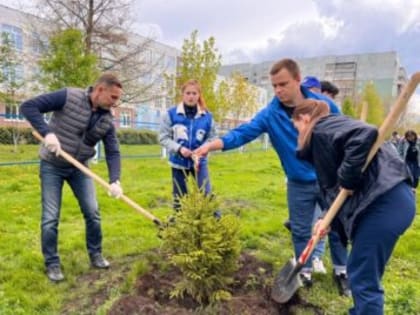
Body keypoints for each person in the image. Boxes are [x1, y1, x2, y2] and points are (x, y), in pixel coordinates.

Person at [194, 58, 348, 293]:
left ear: (298, 80)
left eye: (283, 84)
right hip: (298, 182)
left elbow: (344, 133)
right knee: (299, 229)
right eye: (274, 85)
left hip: (329, 180)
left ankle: (342, 270)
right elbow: (242, 134)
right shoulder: (270, 114)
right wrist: (210, 146)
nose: (278, 90)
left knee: (337, 225)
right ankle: (303, 271)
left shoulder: (324, 104)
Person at [291, 99, 415, 315]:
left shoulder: (322, 127)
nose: (297, 134)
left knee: (363, 277)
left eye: (296, 127)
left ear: (305, 118)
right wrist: (327, 221)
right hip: (387, 202)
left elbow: (365, 134)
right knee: (362, 273)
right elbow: (340, 193)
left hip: (383, 203)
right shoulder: (327, 135)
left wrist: (348, 179)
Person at [20, 73, 124, 282]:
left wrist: (115, 180)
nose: (116, 102)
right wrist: (47, 133)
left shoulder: (106, 118)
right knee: (50, 217)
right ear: (100, 89)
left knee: (92, 212)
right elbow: (28, 107)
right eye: (113, 97)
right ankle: (52, 264)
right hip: (52, 165)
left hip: (80, 168)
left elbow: (113, 151)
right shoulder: (68, 96)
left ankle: (95, 254)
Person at [159, 79, 217, 212]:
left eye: (194, 93)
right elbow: (163, 138)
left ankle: (213, 223)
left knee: (206, 195)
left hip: (199, 162)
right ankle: (178, 225)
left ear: (199, 95)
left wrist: (204, 149)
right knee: (179, 198)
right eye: (188, 93)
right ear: (183, 94)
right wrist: (179, 149)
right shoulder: (171, 115)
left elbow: (213, 137)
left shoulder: (207, 116)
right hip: (178, 163)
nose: (191, 96)